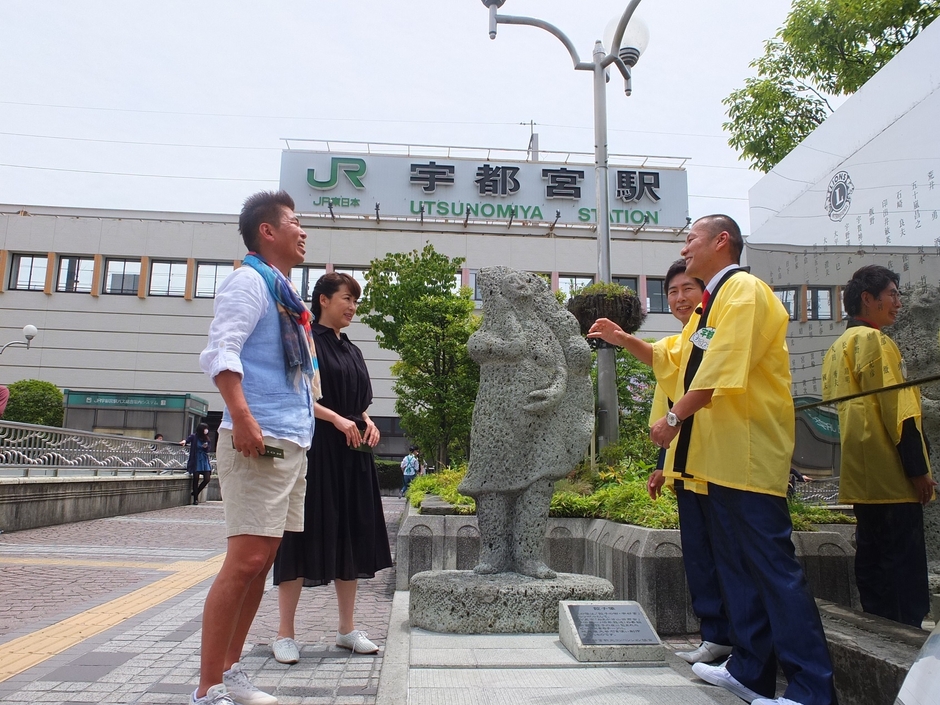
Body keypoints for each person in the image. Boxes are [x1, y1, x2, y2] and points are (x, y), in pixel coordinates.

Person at [634, 215, 835, 705]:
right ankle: (749, 670)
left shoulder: (743, 290)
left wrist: (674, 420)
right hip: (718, 458)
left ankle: (811, 689)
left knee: (772, 570)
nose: (685, 247)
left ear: (721, 241)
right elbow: (691, 364)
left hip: (746, 454)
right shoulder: (714, 300)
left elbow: (719, 368)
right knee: (737, 570)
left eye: (691, 239)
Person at [194, 190, 317, 705]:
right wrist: (241, 416)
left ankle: (230, 669)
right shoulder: (249, 282)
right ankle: (207, 688)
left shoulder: (284, 292)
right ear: (267, 231)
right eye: (293, 221)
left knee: (262, 559)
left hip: (289, 437)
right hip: (258, 436)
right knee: (244, 560)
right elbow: (222, 349)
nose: (303, 230)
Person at [589, 259, 732, 665]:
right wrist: (661, 464)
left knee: (726, 558)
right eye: (672, 291)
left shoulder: (711, 330)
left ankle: (737, 642)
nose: (679, 297)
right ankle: (716, 636)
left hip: (719, 462)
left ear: (704, 292)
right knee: (701, 558)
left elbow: (688, 389)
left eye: (688, 288)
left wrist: (621, 339)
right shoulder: (684, 339)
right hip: (687, 464)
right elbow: (658, 367)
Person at [272, 272, 392, 664]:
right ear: (323, 299)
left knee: (351, 535)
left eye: (356, 301)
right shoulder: (308, 342)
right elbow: (300, 395)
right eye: (347, 298)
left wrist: (366, 421)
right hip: (319, 452)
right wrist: (338, 420)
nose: (353, 306)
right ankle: (284, 633)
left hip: (353, 455)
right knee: (300, 533)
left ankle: (346, 629)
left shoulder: (352, 349)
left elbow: (360, 403)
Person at [822, 265, 936, 628]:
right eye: (892, 294)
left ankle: (878, 636)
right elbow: (899, 411)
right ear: (867, 299)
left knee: (872, 564)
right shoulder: (876, 342)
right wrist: (918, 470)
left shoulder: (838, 345)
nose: (898, 303)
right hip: (891, 474)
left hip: (861, 474)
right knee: (903, 573)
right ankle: (905, 648)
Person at [182, 423, 213, 505]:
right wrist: (184, 441)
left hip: (204, 460)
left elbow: (208, 449)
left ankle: (196, 492)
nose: (206, 430)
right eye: (205, 429)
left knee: (207, 479)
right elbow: (188, 439)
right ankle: (195, 499)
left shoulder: (207, 439)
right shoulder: (194, 436)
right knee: (195, 479)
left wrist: (206, 447)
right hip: (196, 460)